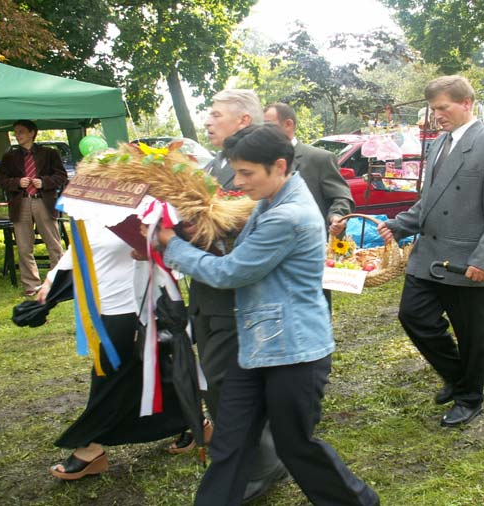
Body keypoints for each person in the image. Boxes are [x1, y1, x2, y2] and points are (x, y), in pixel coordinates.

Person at [157, 124, 379, 506]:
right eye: (236, 171)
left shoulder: (287, 214)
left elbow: (231, 273)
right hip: (258, 344)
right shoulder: (271, 200)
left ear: (279, 166)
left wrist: (171, 245)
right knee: (231, 440)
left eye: (246, 173)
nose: (238, 182)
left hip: (295, 351)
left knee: (295, 446)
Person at [377, 75, 484, 426]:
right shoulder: (438, 144)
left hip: (467, 261)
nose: (437, 114)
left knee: (471, 336)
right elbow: (430, 201)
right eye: (434, 108)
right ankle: (457, 377)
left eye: (443, 107)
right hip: (429, 256)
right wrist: (399, 224)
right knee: (414, 317)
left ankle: (470, 397)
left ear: (467, 103)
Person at [193, 89, 287, 501]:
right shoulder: (216, 164)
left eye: (216, 115)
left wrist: (176, 234)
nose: (208, 121)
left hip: (233, 296)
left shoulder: (254, 175)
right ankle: (249, 456)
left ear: (243, 121)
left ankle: (264, 464)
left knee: (232, 384)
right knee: (219, 382)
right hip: (207, 292)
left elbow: (241, 239)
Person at [39, 223, 189, 480]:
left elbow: (175, 248)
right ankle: (193, 421)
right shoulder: (89, 209)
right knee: (147, 369)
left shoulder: (142, 206)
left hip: (133, 307)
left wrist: (150, 246)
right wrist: (51, 282)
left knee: (109, 374)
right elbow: (79, 248)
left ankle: (89, 447)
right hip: (101, 306)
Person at [263, 102, 355, 307]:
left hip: (310, 255)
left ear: (288, 124)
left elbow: (341, 197)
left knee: (313, 313)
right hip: (271, 254)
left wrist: (336, 216)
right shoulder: (262, 163)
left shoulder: (318, 158)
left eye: (269, 125)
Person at [0, 120, 67, 296]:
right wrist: (16, 182)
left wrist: (44, 182)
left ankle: (58, 281)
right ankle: (31, 284)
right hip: (21, 202)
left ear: (32, 133)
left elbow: (61, 176)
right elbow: (1, 180)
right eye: (16, 132)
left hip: (43, 201)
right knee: (24, 246)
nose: (17, 135)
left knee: (53, 243)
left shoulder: (49, 153)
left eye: (21, 132)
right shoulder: (10, 157)